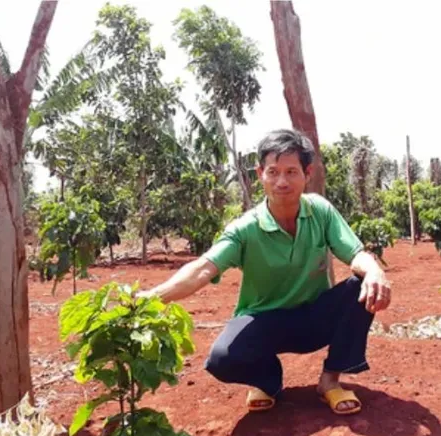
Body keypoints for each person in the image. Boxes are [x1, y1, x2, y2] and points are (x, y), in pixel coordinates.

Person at [139, 129, 392, 415]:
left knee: (361, 285)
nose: (282, 181)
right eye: (273, 171)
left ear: (307, 173)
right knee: (223, 358)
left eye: (291, 171)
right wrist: (151, 297)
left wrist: (374, 270)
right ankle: (267, 381)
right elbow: (202, 269)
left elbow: (354, 253)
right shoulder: (245, 229)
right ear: (260, 173)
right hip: (265, 322)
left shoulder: (320, 211)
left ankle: (330, 380)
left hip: (315, 318)